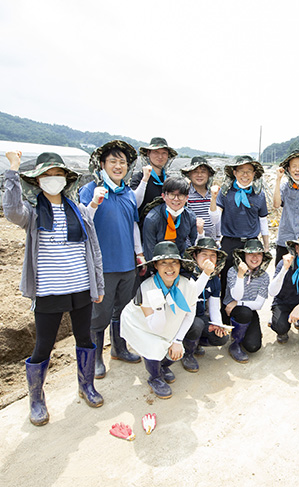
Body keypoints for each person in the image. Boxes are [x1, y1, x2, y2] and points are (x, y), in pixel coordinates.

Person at [3, 150, 105, 426]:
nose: (53, 179)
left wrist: (98, 284)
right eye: (47, 175)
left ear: (66, 179)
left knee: (85, 338)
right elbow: (11, 211)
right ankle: (36, 399)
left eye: (58, 175)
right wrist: (12, 170)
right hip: (49, 290)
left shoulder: (80, 211)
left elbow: (94, 249)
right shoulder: (33, 214)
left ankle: (86, 386)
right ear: (37, 181)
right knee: (43, 346)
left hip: (81, 287)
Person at [79, 140, 144, 379]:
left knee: (122, 309)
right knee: (99, 314)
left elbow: (133, 225)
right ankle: (96, 358)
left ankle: (119, 348)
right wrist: (95, 201)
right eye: (113, 161)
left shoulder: (127, 193)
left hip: (127, 264)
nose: (118, 166)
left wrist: (138, 254)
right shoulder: (91, 190)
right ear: (102, 164)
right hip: (102, 266)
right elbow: (82, 221)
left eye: (123, 162)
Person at [120, 241, 211, 400]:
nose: (170, 268)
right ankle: (154, 377)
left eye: (174, 262)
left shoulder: (186, 285)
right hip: (140, 324)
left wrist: (177, 340)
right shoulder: (148, 288)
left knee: (176, 349)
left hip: (166, 320)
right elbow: (155, 328)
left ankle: (161, 367)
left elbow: (189, 314)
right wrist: (159, 306)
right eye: (164, 263)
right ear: (155, 265)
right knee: (155, 346)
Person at [210, 155, 270, 296]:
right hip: (230, 242)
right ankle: (226, 314)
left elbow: (263, 221)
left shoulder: (259, 194)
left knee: (250, 281)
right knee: (226, 280)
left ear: (254, 174)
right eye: (241, 170)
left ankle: (246, 314)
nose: (245, 174)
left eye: (249, 171)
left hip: (252, 244)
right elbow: (214, 219)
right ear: (234, 173)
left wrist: (266, 245)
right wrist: (213, 198)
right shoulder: (225, 193)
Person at [183, 237, 229, 370]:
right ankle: (188, 353)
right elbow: (191, 296)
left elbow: (214, 306)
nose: (209, 258)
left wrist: (218, 325)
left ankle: (195, 343)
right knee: (197, 324)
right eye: (204, 254)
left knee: (221, 338)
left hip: (200, 317)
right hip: (183, 317)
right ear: (195, 256)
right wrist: (205, 274)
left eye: (213, 255)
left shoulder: (214, 279)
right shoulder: (186, 275)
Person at [223, 239, 272, 363]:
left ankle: (244, 332)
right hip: (230, 311)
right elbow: (236, 296)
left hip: (248, 309)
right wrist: (241, 275)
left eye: (259, 254)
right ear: (244, 255)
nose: (255, 257)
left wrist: (237, 304)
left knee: (253, 346)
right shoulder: (233, 271)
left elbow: (259, 305)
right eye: (250, 253)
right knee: (244, 313)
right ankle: (235, 344)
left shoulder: (264, 276)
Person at [142, 177, 201, 260]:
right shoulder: (152, 219)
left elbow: (193, 244)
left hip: (181, 262)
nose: (176, 199)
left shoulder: (190, 216)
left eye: (180, 195)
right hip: (158, 263)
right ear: (163, 196)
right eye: (172, 195)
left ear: (186, 198)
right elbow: (149, 249)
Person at [130, 137, 178, 222]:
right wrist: (144, 180)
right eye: (156, 152)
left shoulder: (170, 180)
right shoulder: (139, 178)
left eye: (164, 153)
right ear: (148, 153)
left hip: (167, 228)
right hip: (144, 228)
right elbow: (133, 203)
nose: (160, 156)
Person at [182, 156, 219, 239]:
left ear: (209, 174)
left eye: (203, 172)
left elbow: (217, 221)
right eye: (195, 172)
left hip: (211, 242)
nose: (199, 175)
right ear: (189, 174)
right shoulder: (184, 194)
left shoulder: (214, 193)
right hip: (192, 242)